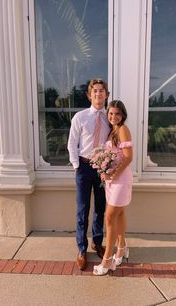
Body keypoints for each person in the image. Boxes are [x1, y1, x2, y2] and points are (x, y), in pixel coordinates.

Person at [67, 78, 111, 270]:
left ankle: (97, 242)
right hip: (84, 168)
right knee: (82, 210)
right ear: (89, 95)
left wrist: (109, 166)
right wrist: (77, 165)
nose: (98, 94)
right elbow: (72, 143)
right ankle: (82, 249)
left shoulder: (110, 118)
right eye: (95, 91)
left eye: (102, 91)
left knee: (100, 208)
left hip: (102, 169)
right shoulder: (80, 117)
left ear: (106, 95)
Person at [93, 100, 133, 276]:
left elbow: (128, 157)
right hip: (111, 180)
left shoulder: (123, 129)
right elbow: (111, 156)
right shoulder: (113, 131)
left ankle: (107, 260)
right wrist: (104, 170)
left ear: (122, 114)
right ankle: (122, 247)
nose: (113, 117)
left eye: (117, 114)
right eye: (110, 113)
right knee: (120, 214)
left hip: (121, 179)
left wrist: (115, 174)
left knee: (109, 218)